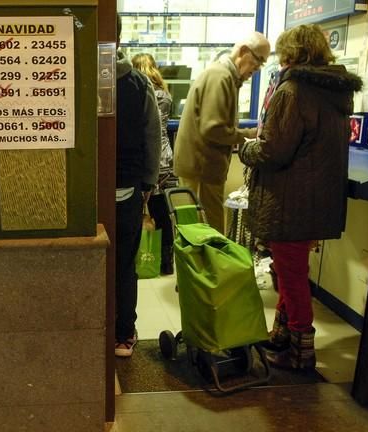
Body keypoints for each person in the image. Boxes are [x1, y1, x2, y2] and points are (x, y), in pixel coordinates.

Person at [239, 24, 362, 370]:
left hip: (290, 202)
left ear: (293, 54)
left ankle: (300, 351)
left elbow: (274, 151)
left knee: (291, 275)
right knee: (289, 269)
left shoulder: (292, 91)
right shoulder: (333, 92)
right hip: (315, 202)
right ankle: (280, 337)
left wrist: (246, 150)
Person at [173, 32, 270, 234]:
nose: (258, 68)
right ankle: (204, 267)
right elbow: (212, 128)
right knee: (206, 230)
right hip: (202, 168)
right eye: (258, 60)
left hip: (200, 166)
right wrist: (249, 135)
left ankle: (199, 265)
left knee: (193, 228)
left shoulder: (224, 76)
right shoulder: (221, 77)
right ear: (243, 52)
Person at [115, 15, 162, 357]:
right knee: (124, 262)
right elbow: (152, 135)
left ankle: (89, 325)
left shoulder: (70, 74)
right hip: (127, 185)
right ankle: (123, 333)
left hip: (83, 190)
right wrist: (148, 181)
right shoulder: (137, 83)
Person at [131, 53, 176, 275]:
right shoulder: (166, 94)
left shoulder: (138, 93)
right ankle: (166, 262)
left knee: (137, 209)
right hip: (166, 158)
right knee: (161, 211)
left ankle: (141, 258)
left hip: (147, 158)